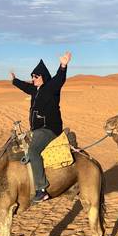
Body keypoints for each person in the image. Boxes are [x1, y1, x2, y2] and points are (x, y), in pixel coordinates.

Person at [10, 51, 72, 203]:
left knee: (33, 150)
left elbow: (59, 80)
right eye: (32, 76)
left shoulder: (51, 88)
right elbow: (25, 87)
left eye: (35, 76)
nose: (33, 79)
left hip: (49, 129)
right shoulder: (35, 90)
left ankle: (41, 189)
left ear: (43, 77)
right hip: (38, 130)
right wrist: (14, 80)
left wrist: (63, 66)